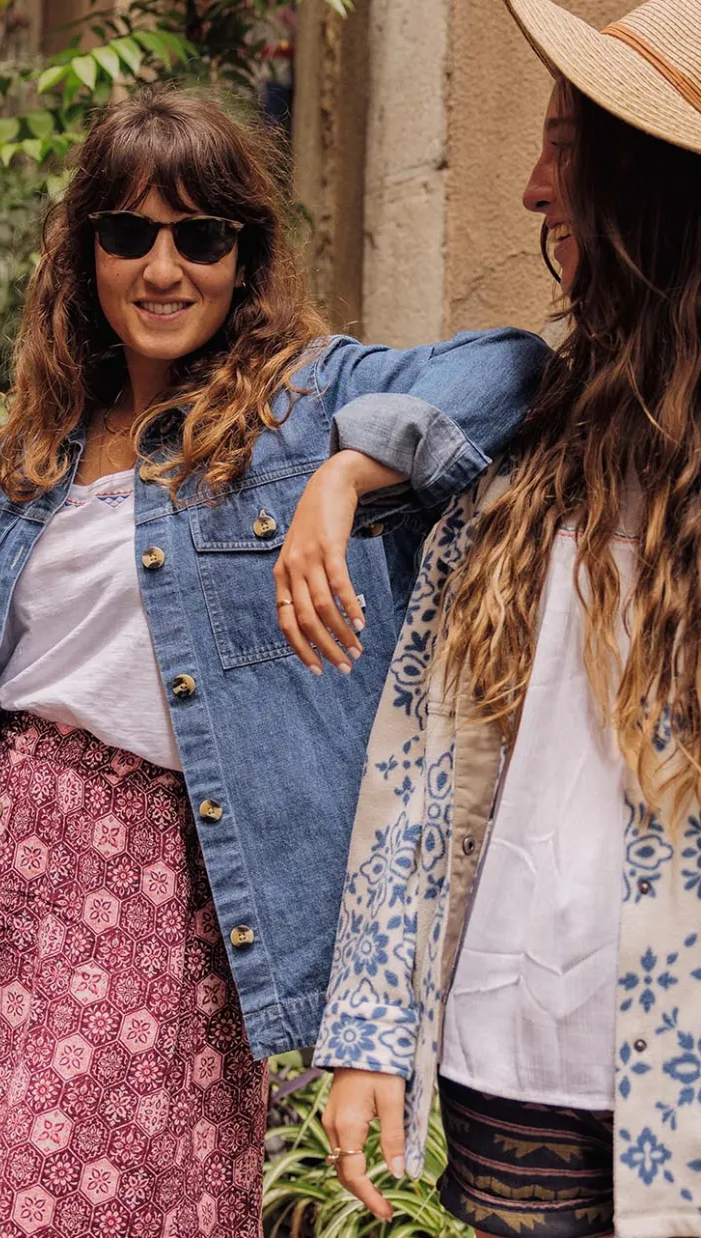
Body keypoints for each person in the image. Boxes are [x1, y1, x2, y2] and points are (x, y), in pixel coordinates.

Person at [0, 87, 546, 1238]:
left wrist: (346, 473)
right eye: (128, 233)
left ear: (243, 256)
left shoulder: (302, 404)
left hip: (169, 892)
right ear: (87, 251)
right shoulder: (37, 446)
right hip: (11, 876)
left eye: (200, 236)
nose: (163, 268)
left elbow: (515, 366)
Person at [278, 2, 701, 1236]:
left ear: (647, 184)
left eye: (564, 147)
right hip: (516, 1052)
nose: (530, 187)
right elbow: (421, 753)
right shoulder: (526, 434)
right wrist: (370, 1028)